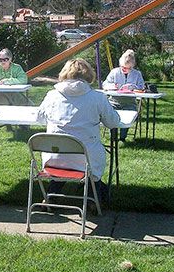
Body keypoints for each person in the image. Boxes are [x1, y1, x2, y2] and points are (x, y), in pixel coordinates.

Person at [37, 58, 122, 204]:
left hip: (54, 159)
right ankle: (91, 198)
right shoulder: (97, 98)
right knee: (88, 161)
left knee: (66, 157)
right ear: (88, 75)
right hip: (86, 160)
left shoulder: (52, 96)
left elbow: (39, 118)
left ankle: (51, 195)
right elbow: (113, 122)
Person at [102, 49, 144, 141]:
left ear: (132, 66)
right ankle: (113, 136)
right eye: (124, 68)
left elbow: (141, 87)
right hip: (114, 101)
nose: (126, 70)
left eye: (129, 68)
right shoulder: (114, 72)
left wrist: (134, 87)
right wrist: (112, 86)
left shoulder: (137, 74)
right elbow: (105, 84)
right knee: (111, 115)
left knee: (129, 115)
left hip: (130, 102)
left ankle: (122, 138)